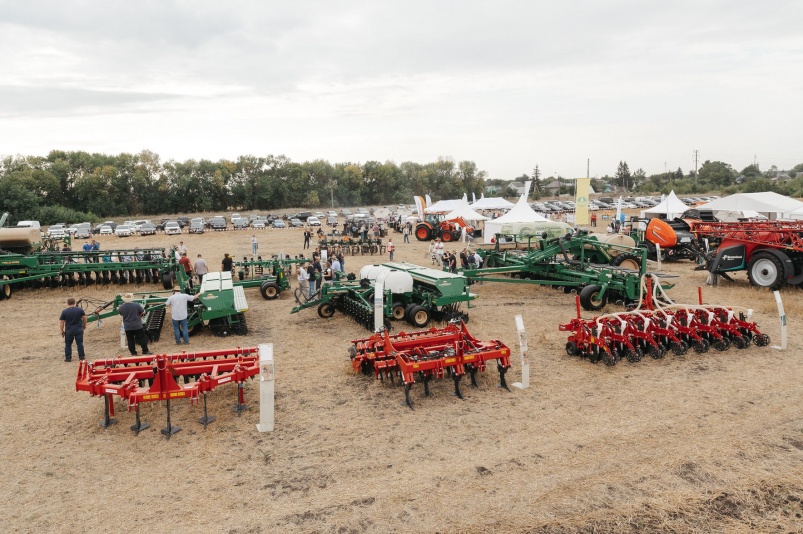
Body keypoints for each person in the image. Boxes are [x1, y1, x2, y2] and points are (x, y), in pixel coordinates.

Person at [59, 297, 87, 362]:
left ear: (67, 303)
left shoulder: (64, 311)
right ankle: (82, 357)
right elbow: (85, 318)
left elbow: (61, 322)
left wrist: (61, 330)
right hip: (78, 329)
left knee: (68, 344)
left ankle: (68, 358)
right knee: (79, 343)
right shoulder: (80, 310)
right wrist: (84, 325)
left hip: (69, 330)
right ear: (74, 302)